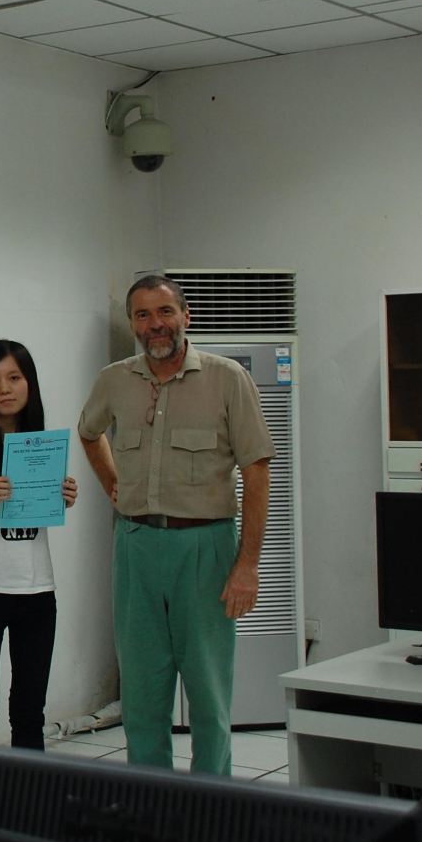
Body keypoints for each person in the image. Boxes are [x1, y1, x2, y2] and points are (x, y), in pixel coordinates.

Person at [77, 274, 274, 775]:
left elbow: (257, 469)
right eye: (142, 315)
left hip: (205, 549)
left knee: (209, 695)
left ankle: (211, 804)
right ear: (132, 324)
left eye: (165, 312)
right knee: (142, 695)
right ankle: (153, 807)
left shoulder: (227, 379)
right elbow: (89, 432)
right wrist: (113, 485)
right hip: (135, 546)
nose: (155, 324)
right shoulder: (114, 380)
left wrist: (247, 565)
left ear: (186, 316)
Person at [0, 339, 78, 751]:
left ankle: (27, 792)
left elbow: (43, 508)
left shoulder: (41, 441)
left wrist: (62, 496)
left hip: (37, 592)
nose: (4, 389)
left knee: (29, 712)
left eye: (14, 378)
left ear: (29, 383)